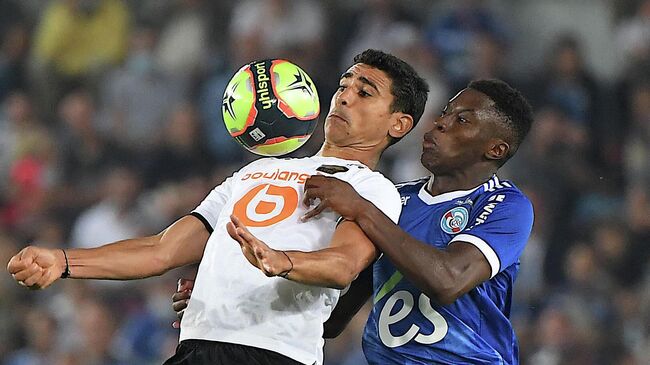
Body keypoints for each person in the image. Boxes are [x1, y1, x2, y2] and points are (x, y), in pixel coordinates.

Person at [7, 49, 430, 365]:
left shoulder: (371, 189)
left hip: (274, 353)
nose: (344, 97)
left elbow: (342, 264)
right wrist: (62, 261)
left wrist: (280, 260)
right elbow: (162, 250)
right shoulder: (255, 171)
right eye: (342, 85)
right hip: (195, 347)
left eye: (364, 92)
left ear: (398, 124)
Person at [174, 79, 535, 364]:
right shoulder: (394, 200)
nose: (440, 123)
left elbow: (448, 279)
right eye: (445, 112)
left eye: (462, 120)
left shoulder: (505, 205)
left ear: (496, 149)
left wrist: (360, 208)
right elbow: (331, 315)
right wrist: (225, 296)